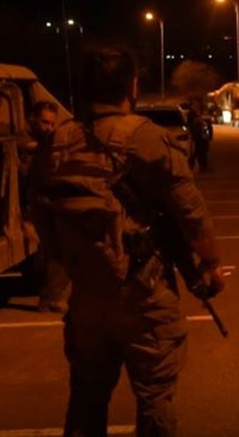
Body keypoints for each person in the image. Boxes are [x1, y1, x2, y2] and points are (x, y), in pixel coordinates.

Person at [30, 43, 225, 437]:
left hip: (87, 297)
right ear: (132, 87)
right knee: (155, 400)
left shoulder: (57, 140)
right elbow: (190, 210)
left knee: (86, 401)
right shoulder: (145, 138)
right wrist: (210, 264)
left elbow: (38, 212)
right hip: (144, 295)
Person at [20, 100, 72, 313]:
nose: (48, 127)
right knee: (59, 246)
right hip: (28, 203)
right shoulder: (23, 137)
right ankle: (50, 297)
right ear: (32, 118)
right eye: (44, 122)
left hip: (39, 199)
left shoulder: (44, 141)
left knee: (52, 248)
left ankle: (50, 294)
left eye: (51, 123)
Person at [185, 101, 211, 173]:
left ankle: (200, 166)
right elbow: (190, 125)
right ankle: (199, 167)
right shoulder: (192, 114)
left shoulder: (196, 114)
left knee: (199, 152)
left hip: (199, 137)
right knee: (198, 152)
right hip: (198, 137)